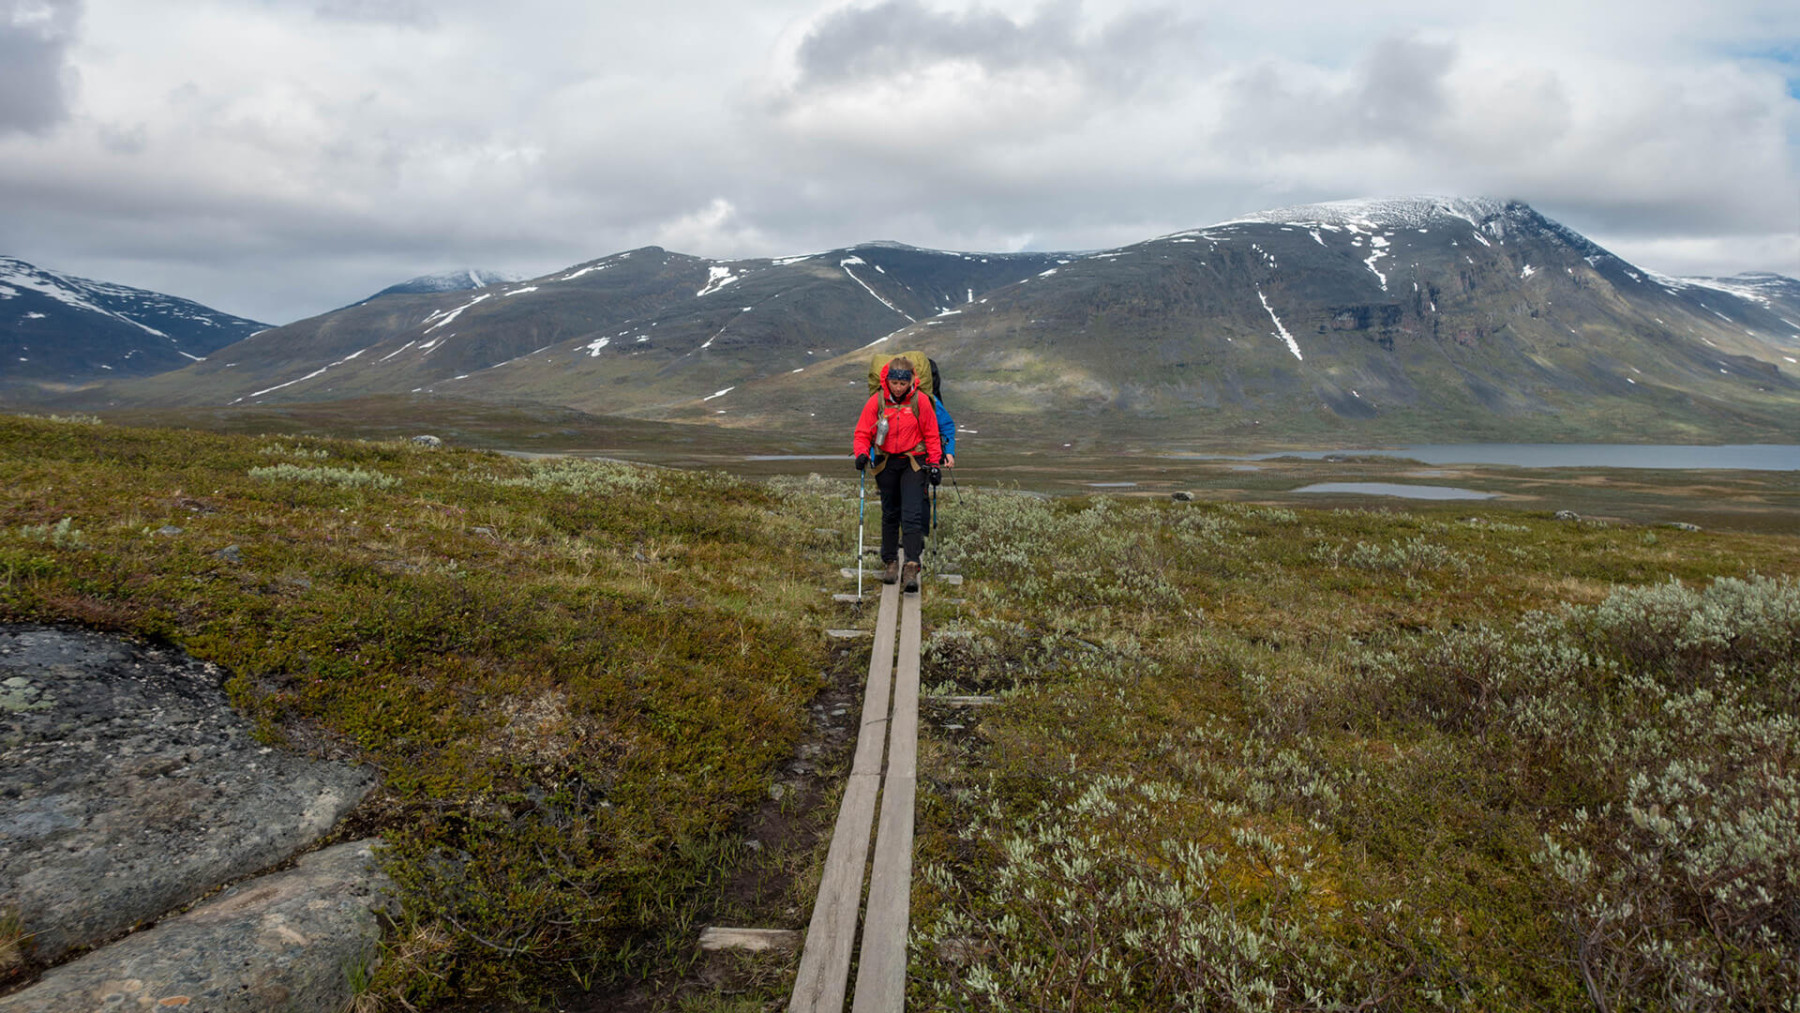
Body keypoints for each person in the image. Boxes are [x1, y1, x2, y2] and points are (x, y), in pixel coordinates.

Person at [853, 357, 943, 592]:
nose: (898, 388)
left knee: (912, 513)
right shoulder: (877, 401)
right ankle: (891, 561)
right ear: (887, 380)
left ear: (911, 380)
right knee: (890, 513)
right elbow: (862, 432)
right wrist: (861, 453)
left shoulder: (920, 401)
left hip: (914, 462)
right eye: (894, 383)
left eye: (902, 384)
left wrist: (934, 464)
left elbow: (932, 435)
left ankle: (911, 565)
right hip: (886, 462)